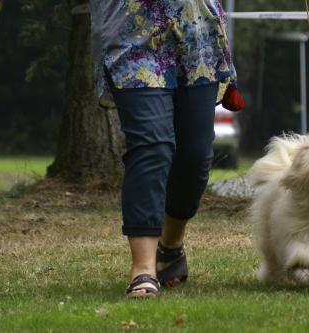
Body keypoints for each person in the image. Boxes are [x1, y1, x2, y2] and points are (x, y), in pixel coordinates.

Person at [90, 0, 237, 297]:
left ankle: (169, 249)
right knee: (151, 146)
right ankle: (143, 269)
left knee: (194, 157)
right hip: (133, 31)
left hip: (197, 34)